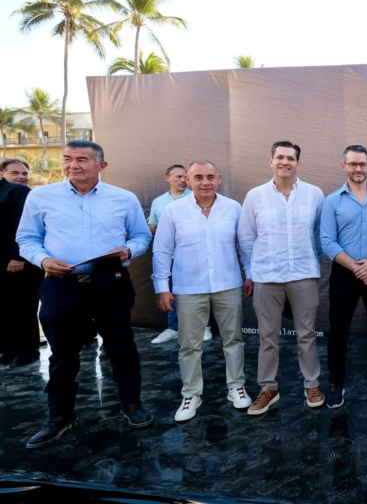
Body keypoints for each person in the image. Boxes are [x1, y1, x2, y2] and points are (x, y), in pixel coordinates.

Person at [17, 140, 154, 448]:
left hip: (110, 282)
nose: (73, 165)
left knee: (122, 348)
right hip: (62, 284)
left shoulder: (123, 198)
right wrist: (42, 260)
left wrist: (129, 249)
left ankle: (131, 404)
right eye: (68, 158)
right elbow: (27, 238)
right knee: (62, 354)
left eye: (82, 159)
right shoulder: (41, 196)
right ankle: (60, 416)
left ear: (101, 165)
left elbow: (141, 235)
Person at [152, 161, 252, 422]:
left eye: (210, 177)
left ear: (219, 178)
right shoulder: (173, 211)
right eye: (198, 177)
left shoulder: (233, 208)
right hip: (188, 287)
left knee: (233, 340)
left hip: (227, 284)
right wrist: (162, 287)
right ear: (188, 179)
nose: (205, 182)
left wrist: (250, 274)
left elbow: (244, 245)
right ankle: (191, 394)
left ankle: (236, 387)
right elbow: (162, 251)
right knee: (189, 345)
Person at [238, 141, 325, 415]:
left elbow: (319, 235)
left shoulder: (314, 194)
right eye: (279, 157)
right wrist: (252, 271)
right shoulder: (255, 196)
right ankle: (268, 388)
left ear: (298, 163)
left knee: (307, 334)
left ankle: (312, 384)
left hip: (304, 274)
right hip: (267, 276)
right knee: (267, 337)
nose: (285, 162)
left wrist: (312, 261)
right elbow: (246, 237)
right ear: (271, 161)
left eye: (290, 158)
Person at [321, 144, 367, 406]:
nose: (358, 168)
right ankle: (335, 383)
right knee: (338, 330)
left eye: (362, 163)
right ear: (344, 166)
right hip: (345, 274)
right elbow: (327, 241)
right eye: (353, 164)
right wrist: (358, 268)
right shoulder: (332, 201)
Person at [148, 164, 201, 345]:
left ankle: (204, 327)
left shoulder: (196, 197)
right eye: (178, 177)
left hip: (192, 255)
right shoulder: (158, 202)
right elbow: (152, 225)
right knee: (171, 291)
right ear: (167, 178)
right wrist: (158, 228)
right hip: (168, 256)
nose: (182, 180)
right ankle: (174, 328)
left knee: (200, 291)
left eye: (185, 177)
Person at [0, 158, 43, 367]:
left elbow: (24, 227)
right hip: (4, 261)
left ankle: (28, 351)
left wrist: (18, 257)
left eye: (24, 173)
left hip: (21, 263)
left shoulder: (19, 192)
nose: (21, 177)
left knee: (23, 307)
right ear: (2, 174)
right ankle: (9, 349)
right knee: (5, 307)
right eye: (15, 173)